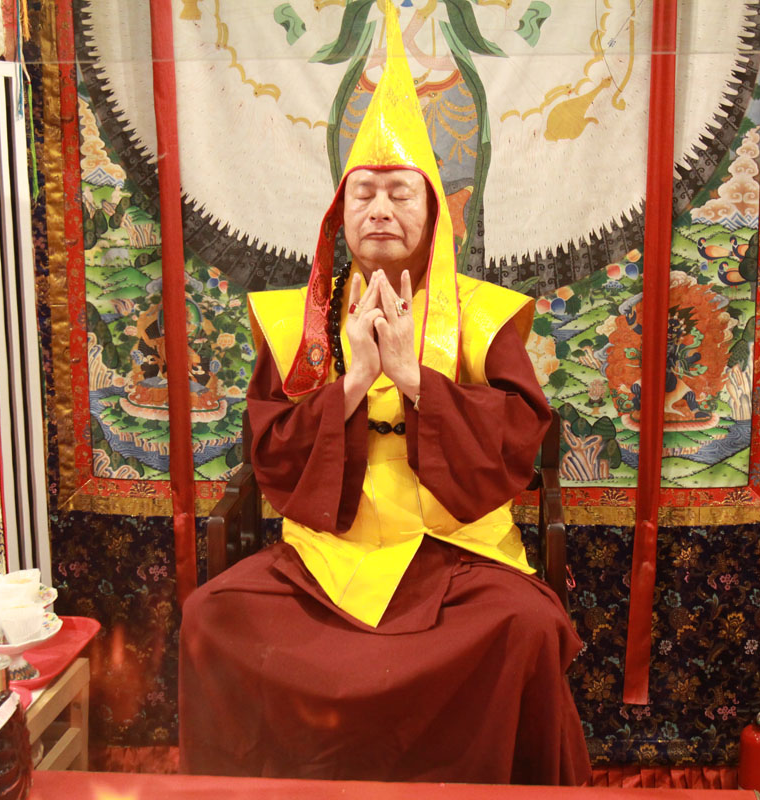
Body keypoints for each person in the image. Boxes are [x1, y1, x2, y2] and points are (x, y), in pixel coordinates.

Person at [178, 4, 590, 785]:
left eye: (401, 193)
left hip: (455, 554)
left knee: (528, 625)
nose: (380, 209)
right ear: (340, 215)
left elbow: (516, 442)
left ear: (437, 213)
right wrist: (353, 383)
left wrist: (414, 380)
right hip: (329, 553)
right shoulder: (295, 322)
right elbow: (271, 454)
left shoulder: (484, 314)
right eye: (364, 193)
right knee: (210, 616)